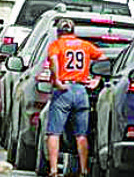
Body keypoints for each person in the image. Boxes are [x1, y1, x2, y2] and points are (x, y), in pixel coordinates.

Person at [45, 18, 106, 177]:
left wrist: (57, 80)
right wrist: (97, 79)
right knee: (81, 134)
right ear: (73, 31)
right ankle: (84, 169)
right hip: (81, 90)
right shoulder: (85, 45)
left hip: (64, 89)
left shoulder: (56, 45)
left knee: (54, 132)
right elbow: (102, 59)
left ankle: (53, 170)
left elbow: (53, 60)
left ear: (58, 32)